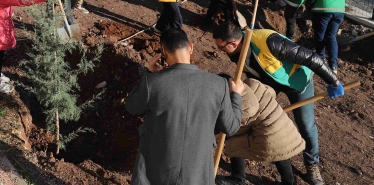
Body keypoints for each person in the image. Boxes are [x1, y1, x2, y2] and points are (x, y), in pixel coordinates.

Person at [214, 21, 345, 185]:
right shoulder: (234, 51)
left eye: (221, 47)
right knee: (253, 121)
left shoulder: (270, 41)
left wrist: (333, 81)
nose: (219, 51)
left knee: (305, 124)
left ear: (233, 43)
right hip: (268, 83)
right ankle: (237, 177)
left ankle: (312, 165)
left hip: (297, 83)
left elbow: (312, 58)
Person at [125, 28, 243, 185]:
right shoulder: (218, 85)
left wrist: (150, 74)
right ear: (191, 47)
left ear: (163, 51)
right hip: (197, 173)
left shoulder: (153, 82)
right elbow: (231, 127)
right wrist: (235, 95)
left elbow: (132, 107)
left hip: (155, 172)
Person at [216, 78, 305, 185]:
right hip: (286, 130)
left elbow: (235, 127)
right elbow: (271, 91)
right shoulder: (251, 83)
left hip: (269, 138)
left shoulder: (243, 102)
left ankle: (237, 180)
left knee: (235, 143)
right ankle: (289, 183)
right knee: (281, 151)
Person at [304, 0, 345, 73]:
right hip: (339, 10)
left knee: (320, 35)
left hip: (323, 9)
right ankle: (334, 65)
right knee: (331, 36)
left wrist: (308, 5)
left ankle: (321, 62)